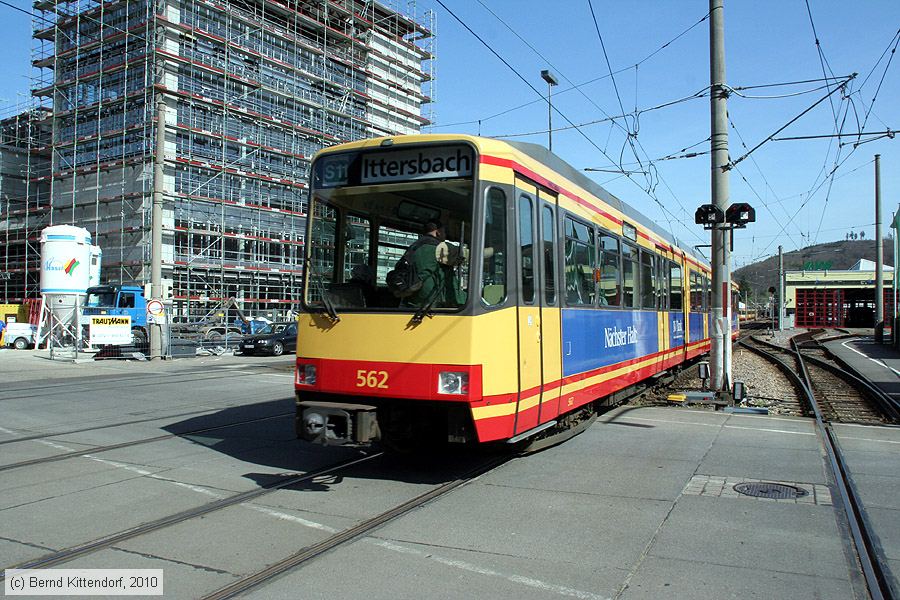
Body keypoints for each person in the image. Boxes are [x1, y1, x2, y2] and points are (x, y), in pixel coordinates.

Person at [404, 221, 462, 308]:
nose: (445, 235)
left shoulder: (413, 248)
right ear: (438, 232)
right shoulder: (439, 248)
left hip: (413, 302)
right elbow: (468, 255)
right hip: (433, 303)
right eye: (444, 232)